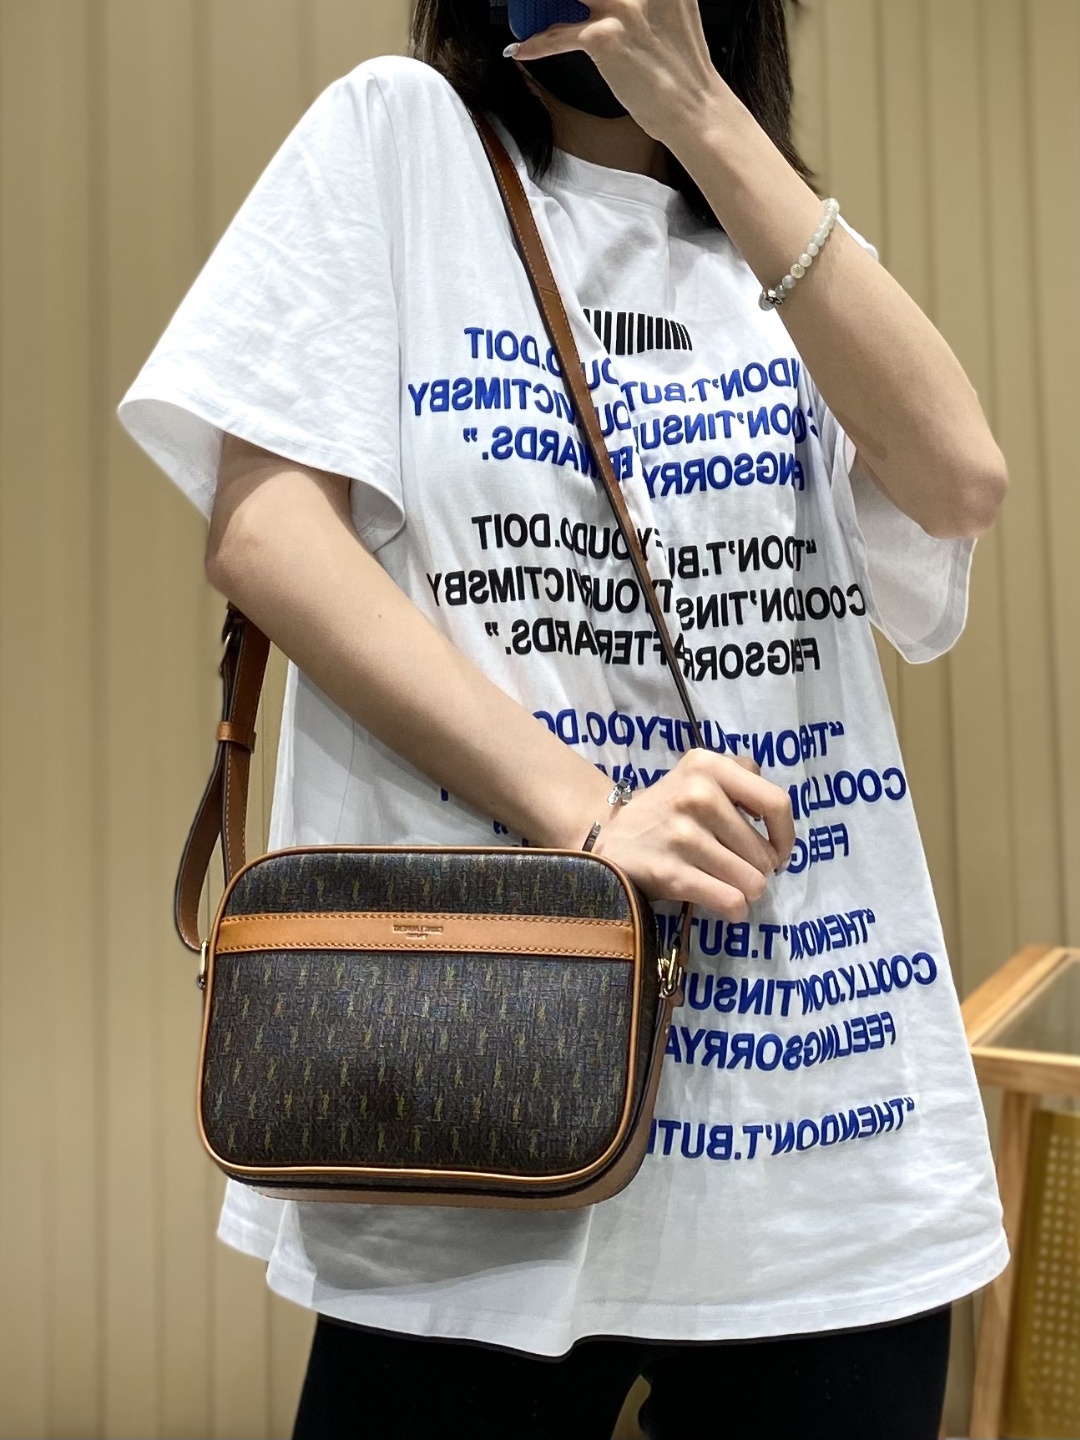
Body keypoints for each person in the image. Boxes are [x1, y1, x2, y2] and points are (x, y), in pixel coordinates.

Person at [118, 1, 1011, 1435]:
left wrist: (704, 116)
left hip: (818, 1124)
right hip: (477, 1084)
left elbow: (959, 483)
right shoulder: (399, 137)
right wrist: (591, 820)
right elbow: (269, 536)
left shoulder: (772, 242)